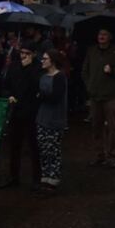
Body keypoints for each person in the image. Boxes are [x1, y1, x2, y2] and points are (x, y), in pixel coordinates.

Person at [82, 29, 115, 168]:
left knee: (112, 127)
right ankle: (99, 155)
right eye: (99, 34)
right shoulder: (91, 51)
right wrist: (89, 86)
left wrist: (113, 70)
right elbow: (85, 70)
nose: (101, 37)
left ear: (110, 37)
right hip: (95, 94)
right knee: (96, 126)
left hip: (111, 95)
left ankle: (113, 156)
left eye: (105, 34)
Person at [0, 46, 42, 189]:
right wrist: (8, 95)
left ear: (34, 54)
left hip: (32, 112)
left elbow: (37, 86)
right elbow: (5, 85)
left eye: (27, 53)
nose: (24, 56)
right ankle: (13, 176)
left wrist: (28, 69)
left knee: (34, 146)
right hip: (16, 112)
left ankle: (37, 178)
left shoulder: (37, 68)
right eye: (22, 53)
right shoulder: (14, 66)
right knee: (14, 146)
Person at [36, 49, 68, 193]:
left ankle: (53, 179)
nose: (42, 61)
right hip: (42, 117)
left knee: (53, 150)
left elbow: (55, 97)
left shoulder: (60, 77)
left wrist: (41, 96)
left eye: (45, 58)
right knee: (43, 149)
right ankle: (45, 177)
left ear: (53, 61)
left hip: (55, 119)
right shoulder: (43, 77)